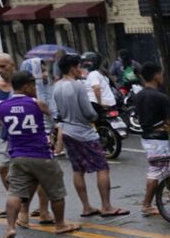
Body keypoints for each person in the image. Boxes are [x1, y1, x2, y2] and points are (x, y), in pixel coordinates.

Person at [0, 71, 78, 238]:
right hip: (41, 154)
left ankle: (10, 228)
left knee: (15, 193)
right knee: (56, 191)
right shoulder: (37, 103)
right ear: (26, 86)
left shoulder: (2, 105)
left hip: (17, 156)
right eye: (33, 85)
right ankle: (60, 224)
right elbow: (53, 120)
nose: (35, 88)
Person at [52, 54, 124, 217]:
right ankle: (106, 206)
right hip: (84, 132)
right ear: (72, 68)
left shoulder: (56, 87)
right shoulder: (77, 86)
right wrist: (96, 115)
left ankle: (86, 207)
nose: (81, 70)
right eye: (79, 67)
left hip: (68, 131)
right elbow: (88, 112)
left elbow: (59, 111)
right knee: (102, 167)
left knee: (78, 170)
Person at [0, 54, 49, 227]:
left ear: (12, 65)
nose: (0, 70)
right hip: (8, 136)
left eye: (3, 66)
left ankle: (41, 210)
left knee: (39, 174)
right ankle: (19, 201)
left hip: (32, 137)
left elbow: (48, 111)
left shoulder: (26, 84)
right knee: (3, 168)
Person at [132, 64, 170, 217]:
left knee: (164, 168)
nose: (162, 77)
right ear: (156, 75)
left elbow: (137, 117)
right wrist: (166, 127)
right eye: (161, 74)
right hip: (158, 139)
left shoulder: (138, 95)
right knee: (157, 170)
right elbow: (169, 121)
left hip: (146, 136)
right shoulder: (160, 97)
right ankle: (146, 205)